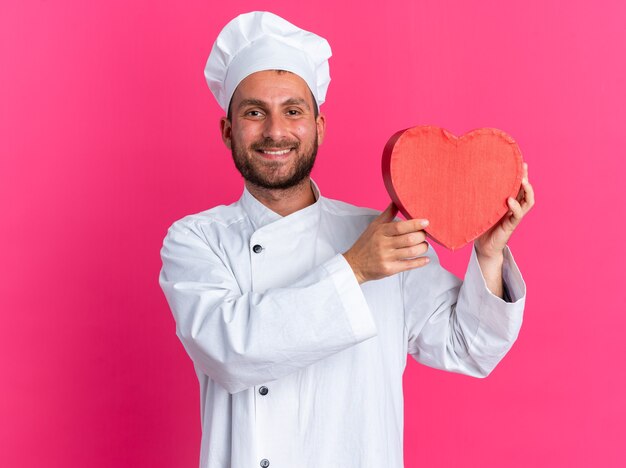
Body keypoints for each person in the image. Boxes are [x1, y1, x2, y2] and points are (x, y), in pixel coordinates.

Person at [159, 11, 534, 468]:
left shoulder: (379, 235)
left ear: (318, 127)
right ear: (227, 131)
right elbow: (230, 353)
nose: (276, 131)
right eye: (254, 112)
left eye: (293, 111)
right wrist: (354, 268)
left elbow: (469, 347)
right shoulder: (196, 239)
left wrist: (488, 252)